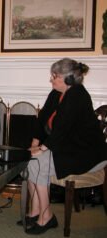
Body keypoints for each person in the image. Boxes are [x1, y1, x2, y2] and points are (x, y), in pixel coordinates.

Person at [19, 58, 107, 235]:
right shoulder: (56, 93)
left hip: (87, 153)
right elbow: (42, 119)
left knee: (39, 161)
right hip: (68, 147)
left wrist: (42, 149)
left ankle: (47, 216)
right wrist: (34, 144)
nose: (51, 79)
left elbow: (62, 129)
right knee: (31, 159)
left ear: (68, 79)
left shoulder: (78, 95)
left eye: (54, 76)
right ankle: (36, 212)